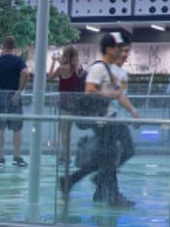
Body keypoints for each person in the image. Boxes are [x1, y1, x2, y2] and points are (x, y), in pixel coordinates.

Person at [60, 31, 140, 208]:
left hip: (111, 119)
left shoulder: (114, 71)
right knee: (110, 158)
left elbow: (119, 95)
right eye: (120, 49)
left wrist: (132, 111)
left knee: (109, 157)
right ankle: (111, 195)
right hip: (104, 120)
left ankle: (75, 181)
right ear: (110, 49)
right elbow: (90, 90)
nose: (122, 53)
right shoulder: (99, 68)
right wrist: (110, 95)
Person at [0, 36, 31, 167]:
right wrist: (19, 91)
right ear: (14, 47)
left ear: (3, 47)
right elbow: (26, 73)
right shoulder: (18, 61)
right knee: (17, 128)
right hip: (13, 98)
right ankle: (17, 157)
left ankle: (1, 159)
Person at [49, 44, 86, 164]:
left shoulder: (62, 69)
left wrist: (54, 62)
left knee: (64, 132)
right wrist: (59, 59)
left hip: (65, 102)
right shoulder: (79, 67)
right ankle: (64, 155)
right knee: (67, 132)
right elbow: (68, 66)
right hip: (76, 103)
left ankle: (66, 157)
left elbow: (50, 76)